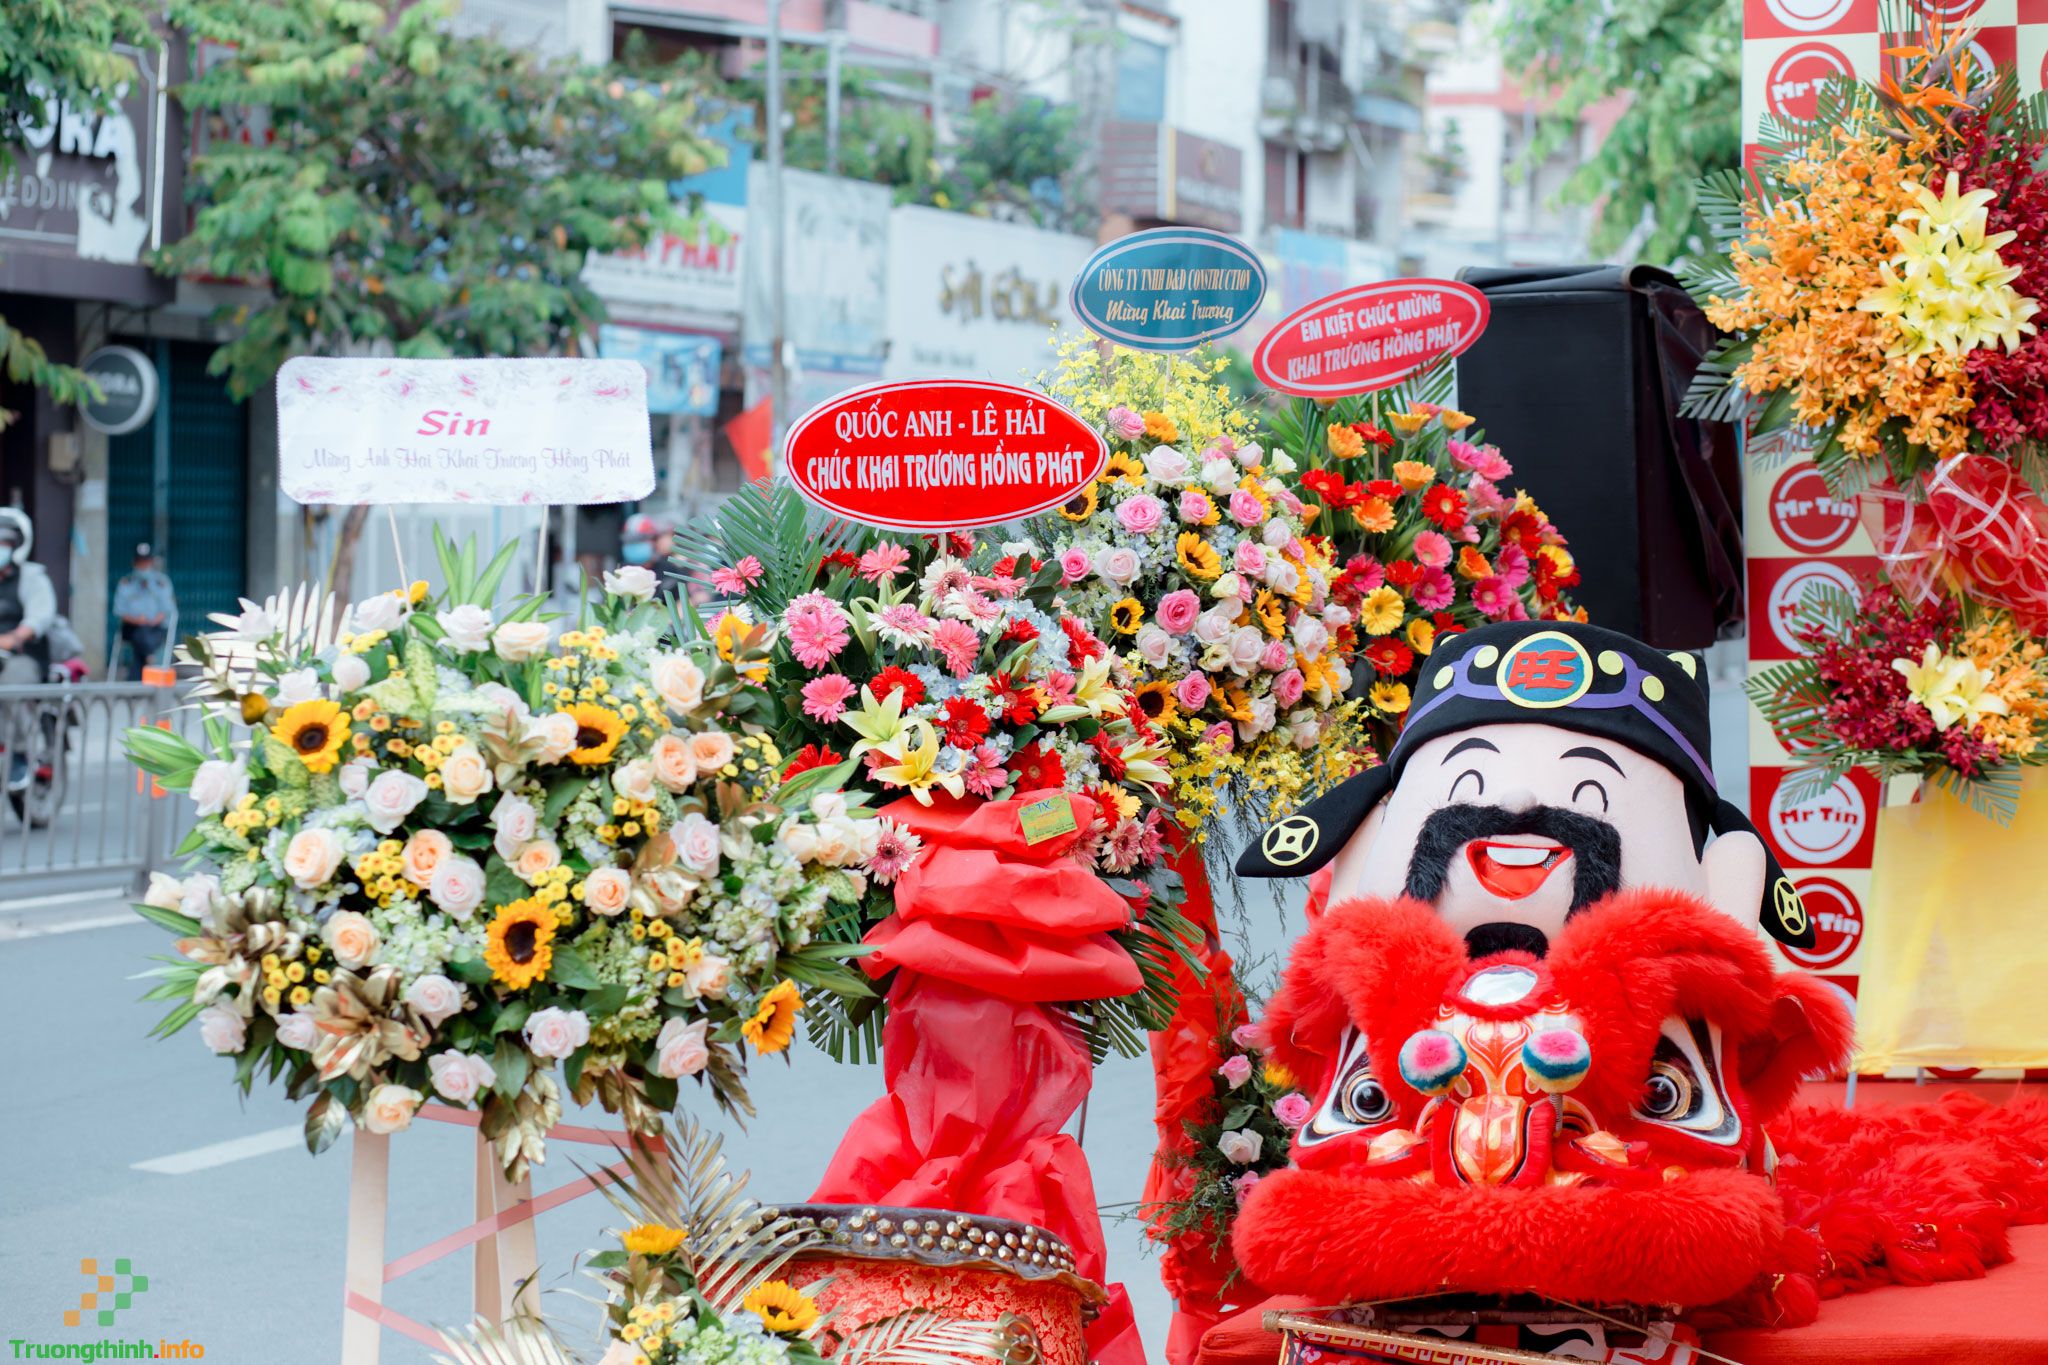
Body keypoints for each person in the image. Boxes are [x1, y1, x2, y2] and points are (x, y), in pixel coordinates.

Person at [0, 508, 57, 687]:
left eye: (3, 543)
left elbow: (40, 616)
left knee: (13, 685)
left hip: (23, 656)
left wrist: (15, 637)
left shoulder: (32, 577)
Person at [112, 541, 175, 679]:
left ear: (151, 562)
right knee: (140, 633)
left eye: (146, 562)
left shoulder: (161, 582)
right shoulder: (126, 583)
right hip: (132, 628)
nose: (143, 566)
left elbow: (167, 610)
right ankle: (149, 659)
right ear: (134, 563)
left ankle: (136, 676)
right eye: (140, 562)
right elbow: (119, 611)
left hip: (155, 628)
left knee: (145, 635)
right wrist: (137, 620)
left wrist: (152, 621)